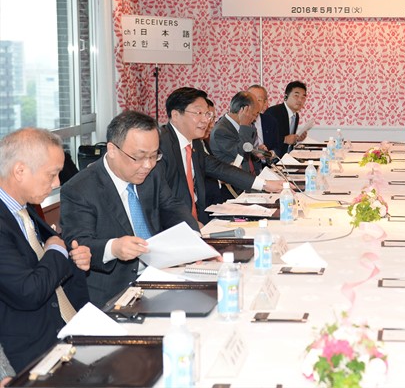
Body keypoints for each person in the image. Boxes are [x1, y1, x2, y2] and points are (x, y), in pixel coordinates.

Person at [60, 111, 199, 308]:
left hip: (160, 274)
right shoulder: (79, 189)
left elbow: (171, 206)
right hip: (113, 292)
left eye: (154, 155)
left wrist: (193, 238)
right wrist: (114, 248)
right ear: (112, 149)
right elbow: (79, 244)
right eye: (139, 157)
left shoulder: (153, 173)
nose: (148, 165)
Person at [0, 128, 90, 371]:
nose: (57, 183)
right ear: (20, 171)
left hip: (69, 329)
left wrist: (74, 259)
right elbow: (28, 291)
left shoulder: (24, 208)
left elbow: (43, 262)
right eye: (52, 174)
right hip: (33, 355)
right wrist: (56, 252)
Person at [159, 87, 283, 223]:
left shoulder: (194, 143)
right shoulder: (160, 145)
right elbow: (163, 198)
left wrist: (264, 184)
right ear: (176, 115)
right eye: (198, 113)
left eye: (207, 114)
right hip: (172, 224)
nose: (206, 120)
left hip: (195, 219)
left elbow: (219, 168)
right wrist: (191, 223)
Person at [210, 91, 261, 173]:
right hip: (235, 178)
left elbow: (248, 151)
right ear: (244, 110)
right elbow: (242, 153)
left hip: (251, 174)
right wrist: (245, 125)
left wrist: (256, 152)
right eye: (254, 114)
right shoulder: (221, 131)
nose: (255, 119)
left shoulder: (241, 126)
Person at [265, 81, 309, 154]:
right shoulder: (273, 112)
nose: (300, 100)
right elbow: (266, 139)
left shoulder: (296, 116)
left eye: (303, 97)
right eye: (296, 96)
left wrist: (297, 139)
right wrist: (284, 140)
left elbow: (289, 142)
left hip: (287, 156)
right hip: (274, 157)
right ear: (286, 96)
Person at [248, 84, 282, 159]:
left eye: (259, 100)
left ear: (265, 103)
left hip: (266, 163)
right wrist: (255, 152)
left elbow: (277, 147)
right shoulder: (239, 122)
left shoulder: (271, 121)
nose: (255, 103)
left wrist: (270, 154)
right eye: (251, 99)